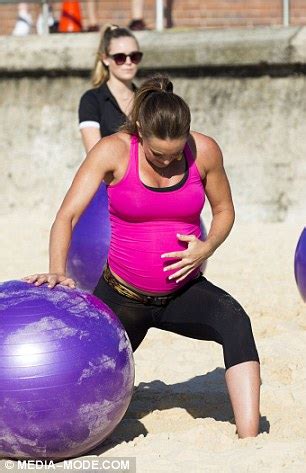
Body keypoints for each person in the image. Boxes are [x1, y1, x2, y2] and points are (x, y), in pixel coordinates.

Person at [23, 75, 261, 439]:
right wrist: (57, 270)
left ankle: (251, 441)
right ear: (139, 134)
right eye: (157, 154)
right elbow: (66, 216)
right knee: (83, 373)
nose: (167, 162)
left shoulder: (205, 151)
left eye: (175, 153)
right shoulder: (113, 151)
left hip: (183, 293)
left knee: (237, 323)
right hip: (121, 299)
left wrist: (207, 246)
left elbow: (225, 210)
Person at [79, 25, 142, 153]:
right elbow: (94, 154)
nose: (128, 62)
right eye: (120, 57)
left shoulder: (149, 98)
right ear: (105, 59)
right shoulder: (91, 100)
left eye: (134, 56)